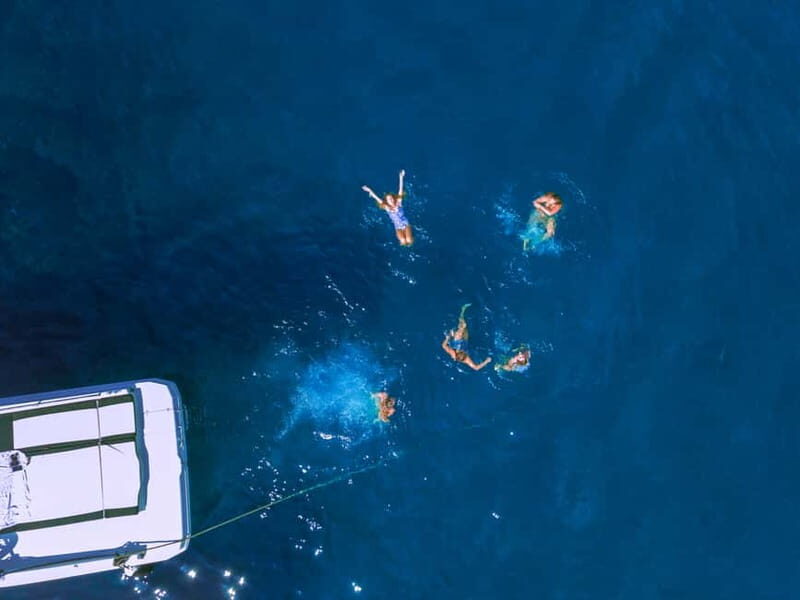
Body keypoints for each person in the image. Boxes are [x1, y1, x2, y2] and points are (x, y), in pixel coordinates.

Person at [362, 170, 414, 246]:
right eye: (389, 199)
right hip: (398, 227)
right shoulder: (387, 208)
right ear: (387, 201)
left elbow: (400, 189)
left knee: (409, 240)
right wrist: (369, 190)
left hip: (406, 224)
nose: (391, 200)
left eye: (392, 198)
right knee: (403, 241)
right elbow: (377, 199)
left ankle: (411, 243)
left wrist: (401, 177)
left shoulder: (399, 203)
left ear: (394, 199)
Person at [441, 304, 492, 371]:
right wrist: (486, 361)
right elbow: (476, 368)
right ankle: (462, 327)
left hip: (456, 343)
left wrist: (448, 338)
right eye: (464, 352)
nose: (463, 351)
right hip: (465, 343)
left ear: (458, 352)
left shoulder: (452, 353)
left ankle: (462, 312)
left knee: (462, 327)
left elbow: (443, 345)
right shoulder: (466, 359)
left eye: (461, 351)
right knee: (464, 328)